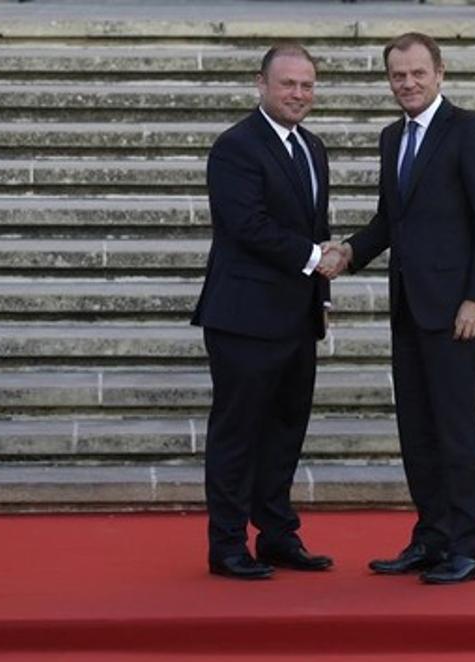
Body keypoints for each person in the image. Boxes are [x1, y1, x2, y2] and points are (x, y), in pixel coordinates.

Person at [321, 32, 475, 585]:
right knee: (418, 433)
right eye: (397, 75)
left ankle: (468, 549)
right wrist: (351, 252)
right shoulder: (392, 137)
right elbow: (391, 220)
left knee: (455, 432)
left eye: (416, 73)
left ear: (440, 72)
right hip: (408, 309)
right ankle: (431, 538)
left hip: (456, 312)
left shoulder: (470, 132)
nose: (407, 83)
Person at [191, 42, 335, 580]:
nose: (299, 94)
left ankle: (277, 535)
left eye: (307, 85)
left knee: (285, 431)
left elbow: (314, 226)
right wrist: (317, 258)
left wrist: (321, 296)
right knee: (238, 434)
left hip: (297, 319)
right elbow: (246, 226)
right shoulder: (236, 147)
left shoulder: (313, 147)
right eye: (288, 84)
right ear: (262, 84)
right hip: (244, 320)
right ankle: (227, 544)